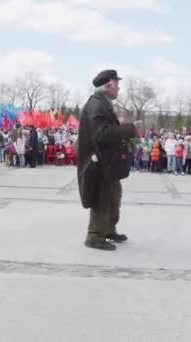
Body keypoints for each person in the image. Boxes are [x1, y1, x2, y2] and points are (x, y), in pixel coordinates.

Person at [77, 69, 141, 251]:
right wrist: (130, 129)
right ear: (108, 85)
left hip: (106, 162)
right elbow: (101, 134)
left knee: (114, 195)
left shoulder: (102, 104)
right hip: (97, 162)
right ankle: (94, 235)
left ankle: (108, 230)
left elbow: (105, 130)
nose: (119, 87)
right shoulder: (97, 105)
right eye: (116, 83)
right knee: (101, 197)